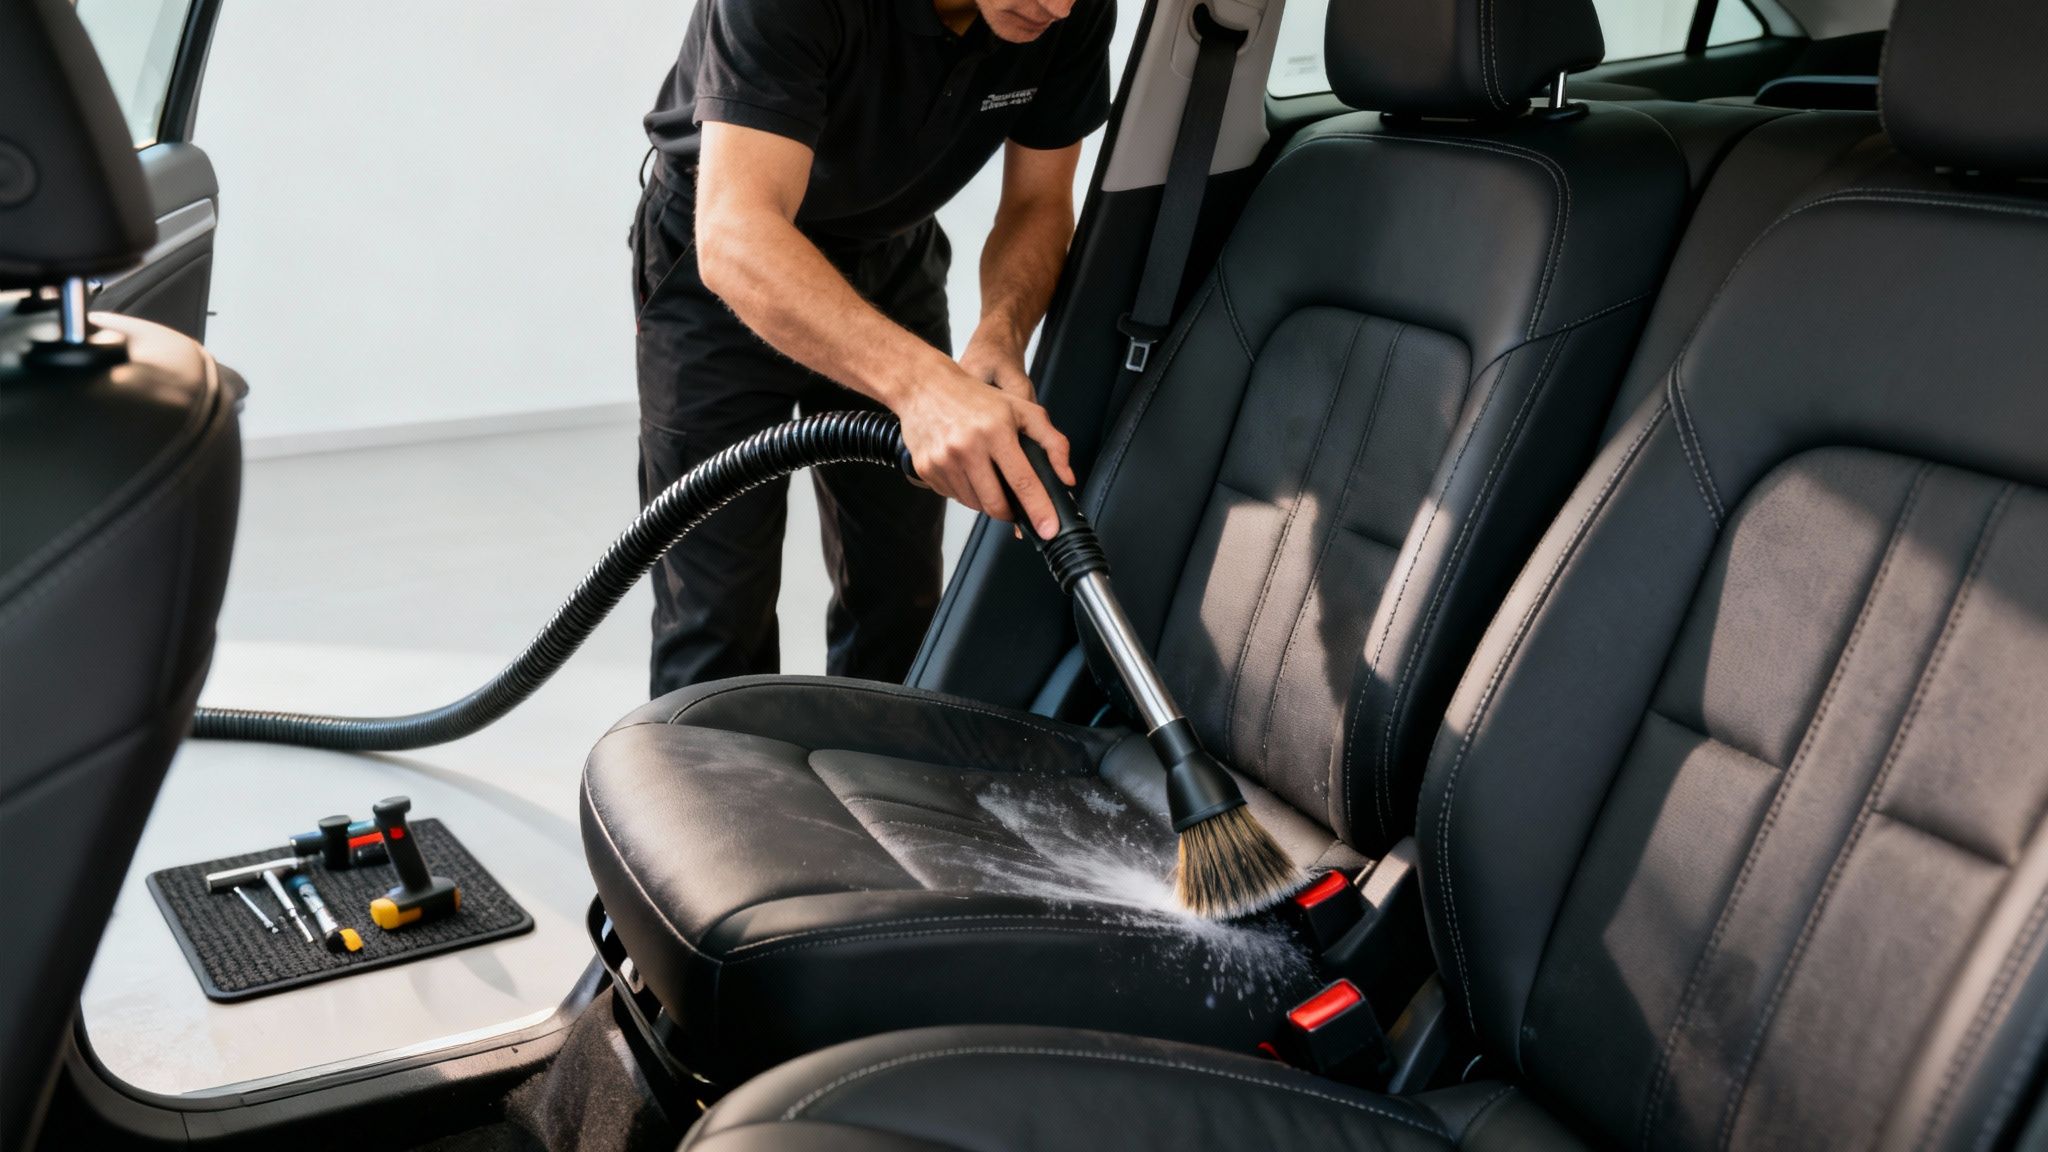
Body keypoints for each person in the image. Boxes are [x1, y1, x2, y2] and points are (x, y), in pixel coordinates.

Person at [631, 0, 1116, 697]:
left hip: (891, 257)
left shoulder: (1067, 9)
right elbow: (737, 231)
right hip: (726, 274)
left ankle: (876, 765)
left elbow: (1038, 201)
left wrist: (1001, 337)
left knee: (900, 595)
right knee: (716, 618)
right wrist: (924, 387)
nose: (1060, 5)